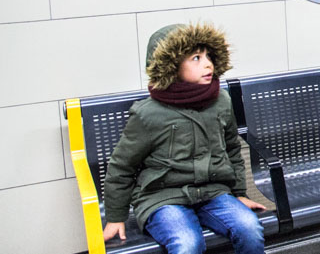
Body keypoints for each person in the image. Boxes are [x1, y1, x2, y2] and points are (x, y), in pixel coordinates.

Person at [102, 23, 267, 254]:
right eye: (196, 58)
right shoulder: (148, 114)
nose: (208, 63)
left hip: (212, 191)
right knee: (188, 243)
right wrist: (116, 217)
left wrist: (239, 193)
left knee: (249, 227)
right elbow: (121, 167)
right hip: (163, 198)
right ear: (171, 66)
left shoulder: (221, 101)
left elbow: (232, 149)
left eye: (208, 55)